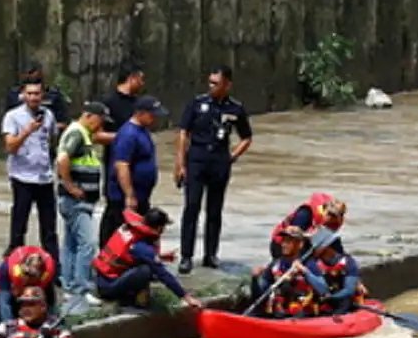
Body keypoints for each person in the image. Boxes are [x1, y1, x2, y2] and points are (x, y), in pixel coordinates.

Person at [175, 64, 254, 272]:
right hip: (197, 160)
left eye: (216, 83)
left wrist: (233, 156)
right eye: (209, 82)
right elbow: (184, 133)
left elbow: (246, 137)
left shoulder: (235, 108)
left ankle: (210, 254)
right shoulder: (197, 103)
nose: (211, 86)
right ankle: (186, 256)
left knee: (214, 211)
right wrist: (180, 164)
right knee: (191, 207)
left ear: (227, 85)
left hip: (219, 161)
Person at [91, 207, 202, 311]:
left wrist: (161, 257)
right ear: (159, 228)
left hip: (103, 278)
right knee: (146, 270)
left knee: (149, 265)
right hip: (108, 287)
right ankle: (131, 301)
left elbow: (131, 256)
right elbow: (162, 273)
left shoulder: (130, 229)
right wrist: (185, 297)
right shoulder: (140, 246)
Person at [55, 101, 109, 298]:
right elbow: (62, 159)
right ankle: (81, 287)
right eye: (99, 121)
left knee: (71, 243)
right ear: (88, 116)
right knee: (88, 244)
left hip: (77, 201)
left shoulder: (82, 134)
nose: (100, 126)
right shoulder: (77, 133)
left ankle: (68, 284)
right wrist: (70, 186)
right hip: (76, 202)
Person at [1, 80, 59, 260]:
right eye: (30, 93)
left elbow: (53, 139)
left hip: (44, 178)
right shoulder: (13, 116)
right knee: (19, 223)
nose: (34, 97)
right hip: (22, 177)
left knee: (49, 226)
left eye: (37, 94)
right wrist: (28, 131)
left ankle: (54, 266)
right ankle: (14, 260)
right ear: (23, 96)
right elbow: (10, 147)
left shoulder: (48, 115)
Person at [101, 96, 166, 246]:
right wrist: (129, 195)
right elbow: (122, 165)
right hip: (124, 198)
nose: (154, 119)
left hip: (141, 196)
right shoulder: (128, 134)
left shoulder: (142, 131)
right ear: (140, 113)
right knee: (121, 238)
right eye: (152, 115)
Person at [250, 226, 321, 318]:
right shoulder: (275, 265)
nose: (283, 245)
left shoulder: (309, 265)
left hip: (303, 316)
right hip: (278, 315)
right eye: (283, 241)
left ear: (300, 244)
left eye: (288, 242)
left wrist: (305, 272)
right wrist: (254, 279)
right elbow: (260, 295)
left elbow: (323, 290)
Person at [0, 245, 57, 322]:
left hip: (34, 286)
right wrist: (8, 326)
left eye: (33, 279)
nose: (30, 282)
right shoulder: (6, 269)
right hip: (8, 287)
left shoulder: (48, 272)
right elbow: (5, 303)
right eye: (28, 278)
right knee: (3, 311)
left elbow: (50, 302)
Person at [270, 192, 346, 258]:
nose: (330, 218)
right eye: (329, 214)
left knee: (333, 242)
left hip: (305, 242)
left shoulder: (333, 222)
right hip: (281, 245)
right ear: (324, 210)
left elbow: (329, 241)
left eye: (334, 216)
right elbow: (292, 237)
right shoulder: (305, 214)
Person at [305, 235, 366, 314]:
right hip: (324, 297)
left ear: (329, 248)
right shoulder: (315, 263)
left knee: (345, 301)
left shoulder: (349, 262)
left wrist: (332, 297)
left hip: (343, 298)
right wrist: (305, 273)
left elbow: (349, 290)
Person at [3, 61, 72, 124]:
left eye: (36, 94)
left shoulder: (53, 96)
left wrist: (44, 126)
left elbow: (64, 123)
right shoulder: (13, 95)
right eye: (29, 93)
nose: (32, 97)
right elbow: (7, 123)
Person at [100, 62, 146, 139]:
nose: (142, 83)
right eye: (140, 80)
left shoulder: (139, 102)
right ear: (132, 78)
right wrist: (124, 138)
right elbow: (96, 135)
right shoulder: (108, 101)